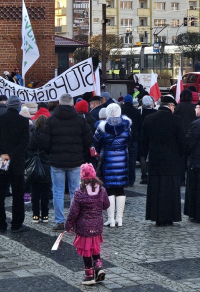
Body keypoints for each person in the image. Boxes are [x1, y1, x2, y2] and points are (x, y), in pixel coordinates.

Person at [38, 93, 93, 231]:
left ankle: (60, 221)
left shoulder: (51, 121)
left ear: (59, 103)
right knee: (75, 191)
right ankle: (74, 220)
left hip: (56, 161)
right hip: (75, 160)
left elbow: (44, 141)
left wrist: (51, 152)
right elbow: (88, 139)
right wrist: (80, 151)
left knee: (58, 191)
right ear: (73, 104)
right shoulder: (80, 120)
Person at [0, 96, 30, 233]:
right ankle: (17, 224)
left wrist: (1, 154)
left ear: (7, 105)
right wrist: (11, 155)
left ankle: (1, 224)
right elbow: (24, 143)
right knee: (18, 194)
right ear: (18, 106)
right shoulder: (24, 121)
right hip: (16, 161)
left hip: (0, 160)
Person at [142, 95, 186, 226]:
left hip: (155, 160)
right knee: (170, 190)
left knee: (156, 189)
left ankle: (156, 216)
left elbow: (144, 141)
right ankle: (170, 217)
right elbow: (182, 142)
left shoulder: (149, 118)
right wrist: (181, 156)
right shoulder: (176, 120)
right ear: (171, 106)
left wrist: (144, 156)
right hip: (172, 161)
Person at [65, 163, 110, 285]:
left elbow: (73, 211)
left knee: (86, 250)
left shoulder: (80, 192)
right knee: (95, 248)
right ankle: (99, 267)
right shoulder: (102, 190)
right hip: (97, 226)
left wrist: (68, 225)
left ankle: (89, 276)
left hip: (84, 227)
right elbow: (106, 205)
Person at [93, 103, 131, 227]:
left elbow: (96, 143)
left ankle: (111, 219)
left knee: (109, 189)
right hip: (122, 160)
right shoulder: (126, 126)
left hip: (108, 160)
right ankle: (119, 218)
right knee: (120, 188)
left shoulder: (101, 127)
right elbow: (129, 141)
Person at [27, 114, 52, 223]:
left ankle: (35, 215)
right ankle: (45, 215)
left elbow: (28, 150)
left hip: (35, 166)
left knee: (35, 192)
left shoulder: (32, 134)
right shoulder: (49, 136)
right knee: (46, 192)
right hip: (46, 165)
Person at [120, 94, 141, 187]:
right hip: (134, 138)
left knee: (122, 159)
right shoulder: (136, 111)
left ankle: (123, 179)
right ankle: (131, 180)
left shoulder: (121, 110)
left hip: (122, 138)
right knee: (132, 160)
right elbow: (140, 125)